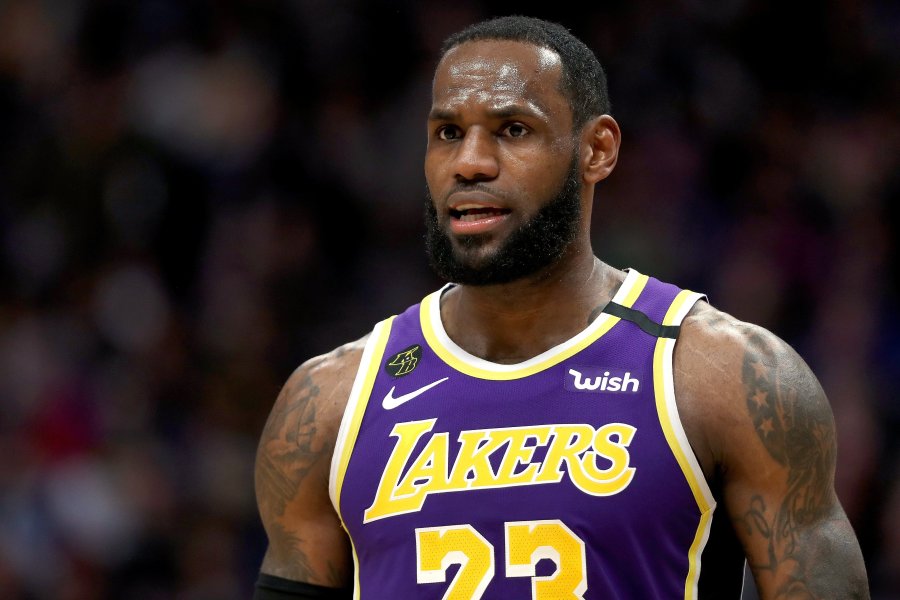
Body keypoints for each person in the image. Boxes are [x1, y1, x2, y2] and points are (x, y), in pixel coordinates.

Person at [252, 15, 870, 600]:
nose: (469, 163)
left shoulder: (724, 377)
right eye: (448, 133)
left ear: (596, 150)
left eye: (512, 130)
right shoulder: (329, 401)